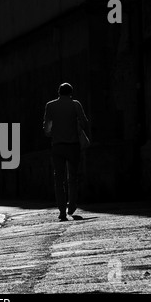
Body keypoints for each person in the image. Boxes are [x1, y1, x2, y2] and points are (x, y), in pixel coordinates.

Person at [43, 83, 89, 221]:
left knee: (58, 179)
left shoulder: (50, 105)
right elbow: (84, 122)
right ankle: (72, 205)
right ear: (71, 93)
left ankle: (62, 210)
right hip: (73, 145)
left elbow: (47, 129)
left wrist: (53, 132)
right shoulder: (75, 104)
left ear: (58, 92)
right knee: (72, 178)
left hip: (58, 146)